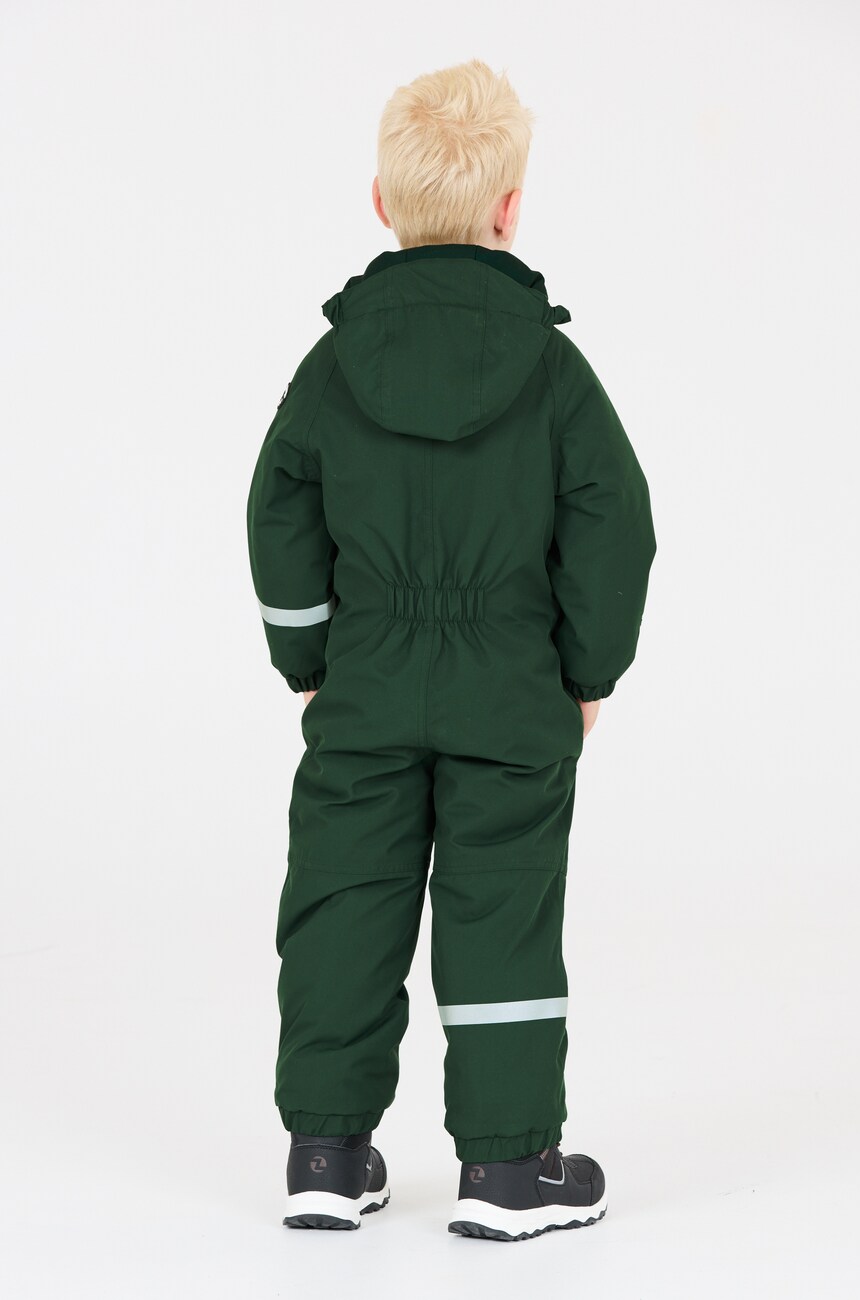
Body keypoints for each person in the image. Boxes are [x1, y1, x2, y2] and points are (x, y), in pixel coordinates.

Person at [246, 57, 657, 1242]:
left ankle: (326, 1153)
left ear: (382, 200)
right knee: (501, 915)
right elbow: (615, 523)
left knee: (343, 901)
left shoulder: (333, 366)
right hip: (511, 693)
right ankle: (511, 1169)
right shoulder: (552, 370)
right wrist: (586, 675)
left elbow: (278, 507)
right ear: (510, 209)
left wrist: (306, 657)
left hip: (368, 687)